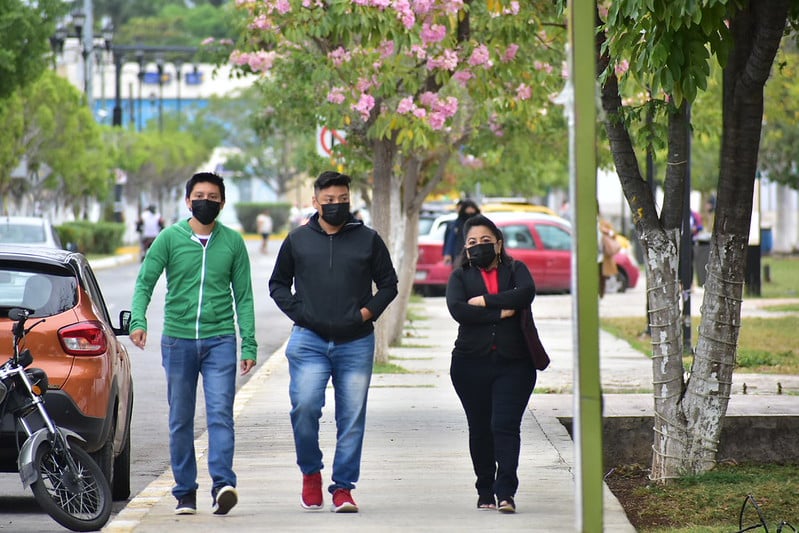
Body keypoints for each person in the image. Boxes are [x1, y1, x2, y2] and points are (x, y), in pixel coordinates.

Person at [269, 170, 398, 513]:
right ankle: (310, 472)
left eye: (343, 200)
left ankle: (343, 488)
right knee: (305, 407)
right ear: (315, 202)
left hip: (356, 342)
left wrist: (365, 314)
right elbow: (278, 284)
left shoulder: (368, 239)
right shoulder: (297, 239)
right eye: (329, 200)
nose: (337, 205)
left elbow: (389, 284)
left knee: (351, 418)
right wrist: (300, 313)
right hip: (308, 340)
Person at [130, 172, 257, 516]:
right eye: (199, 196)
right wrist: (138, 321)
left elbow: (244, 297)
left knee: (220, 414)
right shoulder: (169, 238)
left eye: (213, 197)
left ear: (222, 203)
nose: (206, 202)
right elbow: (145, 283)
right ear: (188, 201)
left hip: (220, 340)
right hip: (178, 340)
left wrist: (249, 344)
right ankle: (185, 493)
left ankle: (223, 486)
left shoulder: (232, 242)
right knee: (180, 420)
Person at [445, 214, 537, 514]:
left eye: (485, 240)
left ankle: (505, 492)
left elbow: (525, 294)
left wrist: (484, 301)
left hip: (515, 364)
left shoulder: (516, 269)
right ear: (465, 247)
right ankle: (485, 489)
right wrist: (501, 312)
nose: (479, 246)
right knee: (481, 428)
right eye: (472, 242)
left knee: (505, 426)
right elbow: (458, 310)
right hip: (469, 364)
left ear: (498, 243)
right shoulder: (460, 276)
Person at [443, 199, 481, 265]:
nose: (470, 211)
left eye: (472, 208)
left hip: (476, 253)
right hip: (460, 254)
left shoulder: (479, 222)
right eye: (468, 208)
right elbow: (451, 239)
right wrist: (448, 253)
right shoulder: (457, 223)